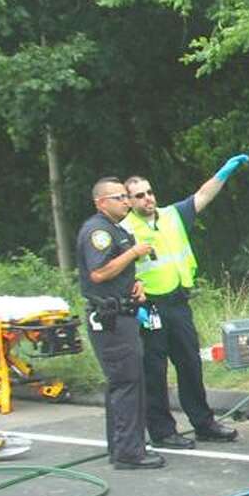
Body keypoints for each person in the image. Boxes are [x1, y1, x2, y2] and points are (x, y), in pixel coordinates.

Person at [120, 154, 249, 449]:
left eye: (150, 192)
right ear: (128, 201)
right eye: (139, 195)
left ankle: (204, 423)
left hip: (178, 301)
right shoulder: (124, 229)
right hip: (148, 306)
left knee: (190, 362)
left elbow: (203, 194)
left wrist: (224, 172)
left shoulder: (171, 215)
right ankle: (163, 431)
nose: (147, 199)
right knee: (154, 369)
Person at [76, 177, 164, 470]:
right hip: (110, 320)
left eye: (127, 197)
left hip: (124, 314)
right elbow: (98, 274)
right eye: (120, 197)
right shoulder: (97, 232)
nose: (127, 202)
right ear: (102, 202)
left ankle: (125, 445)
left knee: (129, 381)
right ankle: (129, 453)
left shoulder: (116, 230)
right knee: (126, 383)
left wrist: (135, 282)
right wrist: (133, 253)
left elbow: (118, 272)